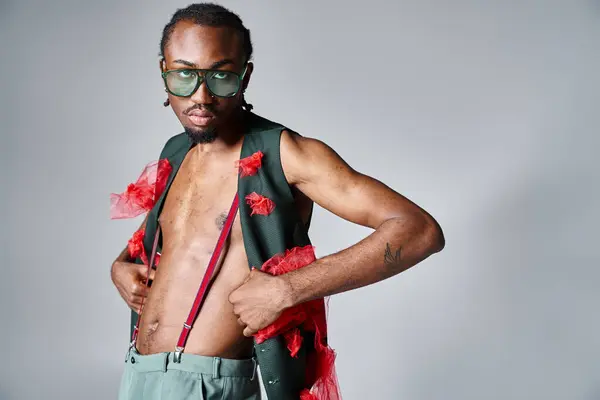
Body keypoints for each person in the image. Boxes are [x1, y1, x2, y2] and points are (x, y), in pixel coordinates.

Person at [111, 3, 445, 399]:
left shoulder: (287, 155)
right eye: (184, 75)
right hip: (138, 377)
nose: (200, 96)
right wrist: (120, 265)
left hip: (211, 386)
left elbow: (419, 230)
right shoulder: (178, 150)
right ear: (163, 71)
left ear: (245, 75)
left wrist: (286, 291)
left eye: (221, 76)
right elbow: (178, 238)